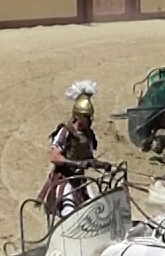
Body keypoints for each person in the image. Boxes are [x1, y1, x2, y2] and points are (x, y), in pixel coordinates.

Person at [39, 80, 112, 218]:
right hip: (64, 180)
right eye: (86, 117)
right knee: (70, 213)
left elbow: (88, 159)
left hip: (80, 181)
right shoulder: (65, 131)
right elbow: (54, 157)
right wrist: (76, 163)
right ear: (78, 116)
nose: (89, 120)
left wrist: (101, 164)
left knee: (95, 209)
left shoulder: (88, 135)